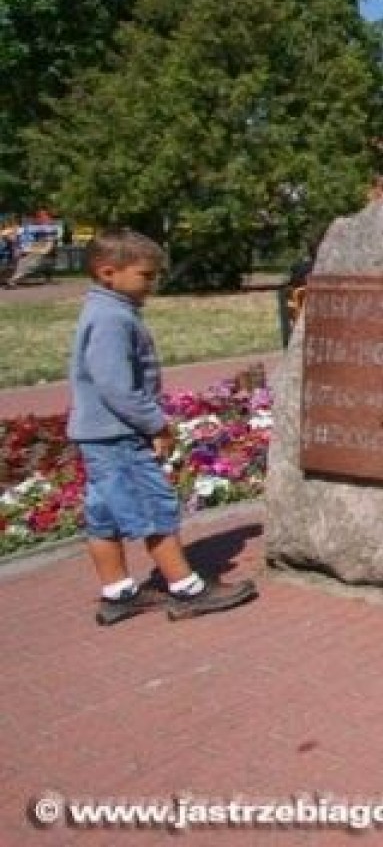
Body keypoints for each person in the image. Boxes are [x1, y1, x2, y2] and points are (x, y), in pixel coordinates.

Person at [71, 229, 258, 625]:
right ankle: (186, 588)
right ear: (108, 272)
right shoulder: (112, 319)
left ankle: (118, 592)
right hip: (119, 433)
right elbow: (115, 384)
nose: (152, 284)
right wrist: (154, 424)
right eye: (145, 275)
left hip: (98, 434)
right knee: (154, 507)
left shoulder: (101, 310)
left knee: (103, 515)